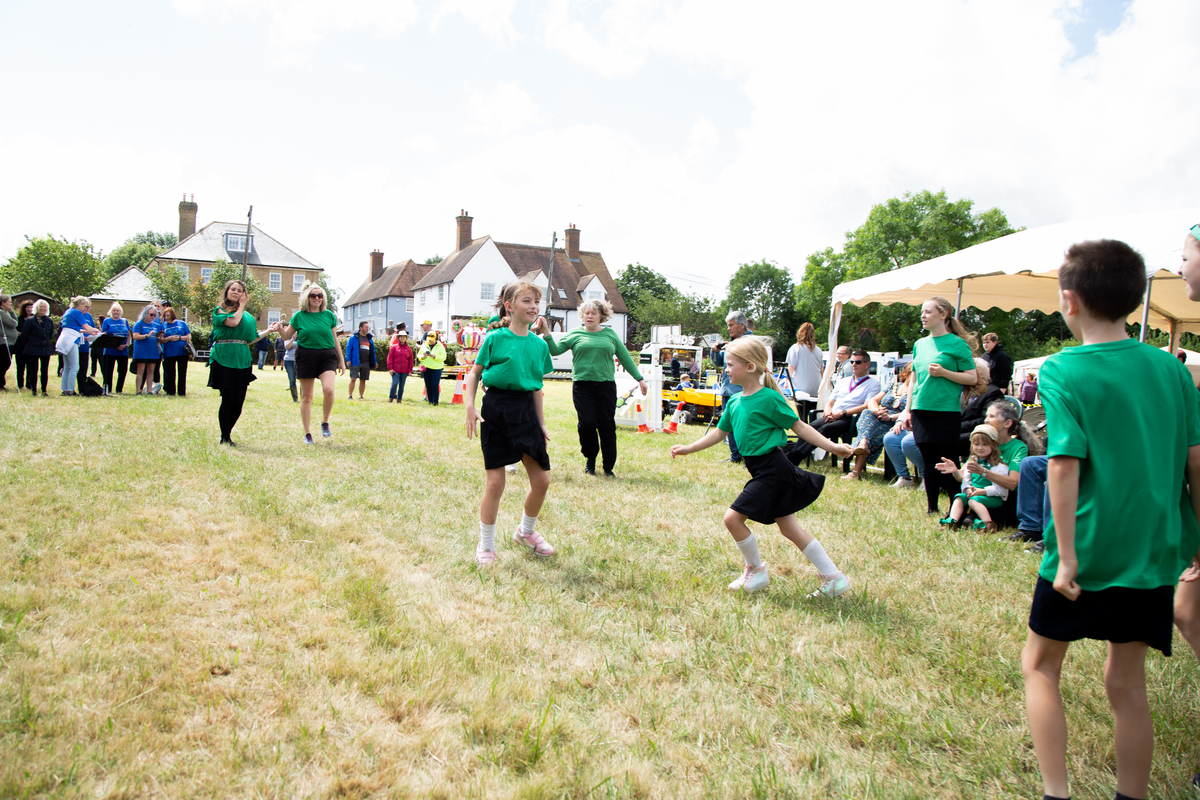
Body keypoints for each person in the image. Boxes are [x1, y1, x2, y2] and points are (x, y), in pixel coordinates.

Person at [1020, 239, 1200, 800]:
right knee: (1127, 684)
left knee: (1040, 666)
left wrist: (1067, 555)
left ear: (1069, 302)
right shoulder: (1171, 370)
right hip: (1152, 552)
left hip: (1088, 547)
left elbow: (1064, 467)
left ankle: (1057, 793)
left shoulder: (1062, 370)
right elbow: (1196, 462)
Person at [670, 336, 854, 598]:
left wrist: (833, 447)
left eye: (730, 364)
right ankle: (834, 577)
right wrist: (688, 448)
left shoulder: (769, 398)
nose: (726, 369)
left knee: (732, 519)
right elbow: (718, 434)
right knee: (790, 528)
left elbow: (799, 427)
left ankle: (755, 572)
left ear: (750, 367)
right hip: (760, 469)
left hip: (773, 469)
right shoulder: (734, 402)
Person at [464, 281, 557, 566]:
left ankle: (525, 533)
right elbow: (474, 374)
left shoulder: (539, 346)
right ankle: (487, 546)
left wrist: (540, 424)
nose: (533, 307)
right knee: (495, 483)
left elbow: (537, 388)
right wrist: (469, 405)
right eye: (526, 301)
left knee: (542, 479)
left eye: (536, 302)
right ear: (509, 306)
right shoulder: (495, 339)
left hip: (526, 411)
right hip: (496, 408)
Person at [535, 299, 648, 477]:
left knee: (607, 425)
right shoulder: (575, 334)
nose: (589, 316)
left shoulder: (610, 335)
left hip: (606, 386)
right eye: (586, 313)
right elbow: (556, 351)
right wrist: (547, 332)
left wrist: (640, 379)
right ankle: (590, 458)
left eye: (594, 313)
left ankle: (608, 466)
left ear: (601, 316)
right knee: (587, 424)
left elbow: (625, 357)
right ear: (582, 315)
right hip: (582, 386)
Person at [894, 298, 978, 516]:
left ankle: (956, 507)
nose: (923, 316)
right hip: (921, 409)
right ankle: (932, 508)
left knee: (946, 460)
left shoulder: (957, 344)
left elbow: (972, 378)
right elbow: (913, 380)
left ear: (943, 314)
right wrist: (907, 410)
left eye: (928, 312)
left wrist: (945, 373)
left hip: (945, 411)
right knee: (928, 461)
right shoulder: (920, 344)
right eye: (922, 312)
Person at [207, 280, 275, 445]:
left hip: (242, 360)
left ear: (244, 294)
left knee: (238, 403)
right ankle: (225, 437)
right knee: (228, 399)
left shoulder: (249, 317)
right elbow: (233, 322)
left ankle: (226, 434)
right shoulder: (220, 310)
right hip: (224, 358)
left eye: (240, 290)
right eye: (233, 289)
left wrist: (269, 330)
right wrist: (242, 306)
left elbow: (251, 339)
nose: (236, 292)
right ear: (227, 291)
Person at [280, 282, 343, 444]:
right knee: (307, 397)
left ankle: (325, 422)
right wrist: (279, 328)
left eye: (319, 295)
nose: (316, 298)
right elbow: (286, 336)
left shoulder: (329, 315)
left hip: (326, 356)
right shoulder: (299, 316)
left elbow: (335, 339)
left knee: (328, 390)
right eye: (313, 295)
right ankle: (307, 433)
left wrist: (341, 360)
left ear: (323, 298)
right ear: (307, 298)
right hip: (305, 356)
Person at [790, 349, 879, 463]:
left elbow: (867, 405)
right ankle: (795, 454)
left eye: (858, 362)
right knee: (809, 427)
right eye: (852, 362)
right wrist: (828, 413)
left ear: (867, 364)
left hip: (851, 418)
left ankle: (796, 457)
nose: (854, 365)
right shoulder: (843, 381)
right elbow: (830, 401)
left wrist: (842, 413)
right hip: (833, 415)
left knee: (826, 429)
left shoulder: (873, 384)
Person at [936, 424, 1009, 533]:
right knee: (959, 497)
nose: (980, 448)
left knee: (973, 501)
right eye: (976, 444)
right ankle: (952, 522)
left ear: (993, 446)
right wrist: (966, 487)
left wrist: (982, 491)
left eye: (984, 444)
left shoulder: (998, 466)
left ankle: (988, 524)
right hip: (973, 494)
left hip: (992, 497)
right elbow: (965, 480)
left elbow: (1001, 490)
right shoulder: (971, 463)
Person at [847, 364, 911, 480]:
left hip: (897, 422)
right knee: (867, 413)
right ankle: (863, 442)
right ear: (907, 373)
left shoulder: (917, 391)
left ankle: (855, 470)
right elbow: (873, 400)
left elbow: (911, 411)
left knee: (869, 435)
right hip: (879, 417)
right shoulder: (894, 386)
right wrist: (877, 411)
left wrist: (891, 417)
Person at [712, 310, 758, 463]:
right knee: (730, 424)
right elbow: (719, 363)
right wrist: (715, 352)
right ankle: (736, 456)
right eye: (728, 325)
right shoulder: (730, 343)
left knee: (746, 424)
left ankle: (750, 456)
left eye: (731, 325)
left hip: (744, 389)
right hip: (727, 389)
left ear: (741, 325)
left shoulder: (750, 342)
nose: (729, 328)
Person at [957, 359, 1003, 458]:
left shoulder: (993, 392)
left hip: (980, 433)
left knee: (947, 441)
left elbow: (986, 420)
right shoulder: (967, 391)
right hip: (961, 430)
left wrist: (958, 426)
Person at [58, 296, 100, 397]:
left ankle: (65, 389)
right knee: (74, 367)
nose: (85, 309)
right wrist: (96, 331)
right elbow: (86, 327)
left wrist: (91, 331)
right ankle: (71, 390)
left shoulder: (69, 311)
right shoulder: (77, 312)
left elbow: (78, 329)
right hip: (71, 340)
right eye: (85, 306)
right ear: (80, 305)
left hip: (65, 339)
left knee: (67, 367)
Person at [786, 322, 824, 419]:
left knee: (802, 416)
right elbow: (821, 370)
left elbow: (791, 368)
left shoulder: (796, 348)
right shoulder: (818, 350)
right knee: (813, 415)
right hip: (816, 387)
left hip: (801, 388)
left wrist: (786, 381)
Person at [20, 300, 55, 396]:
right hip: (33, 348)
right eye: (41, 306)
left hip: (45, 348)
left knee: (44, 370)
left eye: (44, 307)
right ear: (36, 308)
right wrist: (32, 343)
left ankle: (44, 390)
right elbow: (24, 335)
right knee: (33, 369)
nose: (43, 308)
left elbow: (50, 334)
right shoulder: (30, 320)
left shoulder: (49, 321)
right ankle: (33, 390)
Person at [100, 302, 132, 395]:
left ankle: (119, 389)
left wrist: (126, 345)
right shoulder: (107, 321)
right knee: (108, 371)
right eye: (114, 310)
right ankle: (108, 389)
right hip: (110, 350)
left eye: (117, 310)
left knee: (122, 371)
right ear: (111, 311)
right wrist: (114, 345)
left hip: (123, 350)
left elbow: (128, 335)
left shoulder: (124, 321)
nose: (116, 312)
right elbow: (104, 334)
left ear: (120, 311)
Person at [130, 305, 162, 395]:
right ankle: (138, 390)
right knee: (141, 370)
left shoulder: (156, 325)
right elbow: (135, 336)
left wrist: (160, 337)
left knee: (151, 371)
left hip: (153, 351)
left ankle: (149, 390)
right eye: (151, 314)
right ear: (145, 314)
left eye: (154, 315)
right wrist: (147, 335)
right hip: (142, 351)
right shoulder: (139, 324)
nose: (152, 317)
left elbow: (158, 339)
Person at [160, 306, 191, 396]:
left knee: (182, 372)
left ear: (172, 315)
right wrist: (169, 338)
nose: (166, 318)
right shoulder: (163, 326)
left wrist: (179, 337)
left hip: (182, 352)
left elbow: (189, 337)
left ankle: (181, 392)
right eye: (165, 316)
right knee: (170, 373)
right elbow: (161, 340)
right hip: (169, 352)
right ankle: (170, 392)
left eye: (168, 315)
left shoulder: (181, 324)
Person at [345, 321, 376, 400]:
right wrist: (348, 360)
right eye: (366, 327)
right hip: (355, 361)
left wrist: (374, 361)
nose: (367, 329)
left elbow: (373, 351)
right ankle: (350, 396)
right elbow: (348, 349)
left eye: (368, 327)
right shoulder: (353, 338)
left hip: (366, 362)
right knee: (353, 378)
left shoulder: (369, 338)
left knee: (363, 380)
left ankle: (361, 396)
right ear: (360, 328)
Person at [416, 329, 447, 405]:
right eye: (429, 340)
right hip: (426, 368)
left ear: (436, 339)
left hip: (436, 368)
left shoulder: (440, 346)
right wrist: (423, 356)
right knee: (428, 385)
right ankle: (430, 401)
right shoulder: (424, 345)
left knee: (434, 385)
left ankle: (435, 401)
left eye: (432, 340)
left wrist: (434, 356)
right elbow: (418, 356)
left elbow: (443, 357)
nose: (430, 341)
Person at [12, 299, 34, 392]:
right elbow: (14, 331)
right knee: (20, 366)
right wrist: (22, 334)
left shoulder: (35, 319)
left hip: (31, 345)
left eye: (31, 307)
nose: (29, 309)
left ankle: (29, 385)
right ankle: (20, 385)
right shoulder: (19, 319)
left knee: (30, 366)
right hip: (20, 345)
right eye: (27, 307)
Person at [387, 330, 413, 403]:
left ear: (406, 338)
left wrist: (410, 370)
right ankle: (391, 398)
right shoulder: (394, 347)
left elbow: (410, 360)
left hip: (404, 370)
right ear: (398, 338)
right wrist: (390, 368)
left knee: (402, 385)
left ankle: (399, 399)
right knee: (394, 383)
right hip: (395, 370)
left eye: (404, 337)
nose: (402, 338)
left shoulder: (408, 348)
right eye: (401, 336)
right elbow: (390, 358)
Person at [0, 295, 19, 391]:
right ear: (3, 303)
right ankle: (0, 384)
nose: (11, 304)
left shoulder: (4, 312)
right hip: (4, 342)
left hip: (9, 342)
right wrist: (12, 312)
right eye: (9, 302)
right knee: (4, 363)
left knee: (5, 363)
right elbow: (14, 323)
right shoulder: (2, 313)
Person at [282, 334, 298, 402]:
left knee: (303, 379)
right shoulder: (288, 337)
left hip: (300, 360)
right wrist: (292, 339)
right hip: (289, 360)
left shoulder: (303, 336)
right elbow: (287, 347)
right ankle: (295, 398)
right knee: (292, 379)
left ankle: (304, 398)